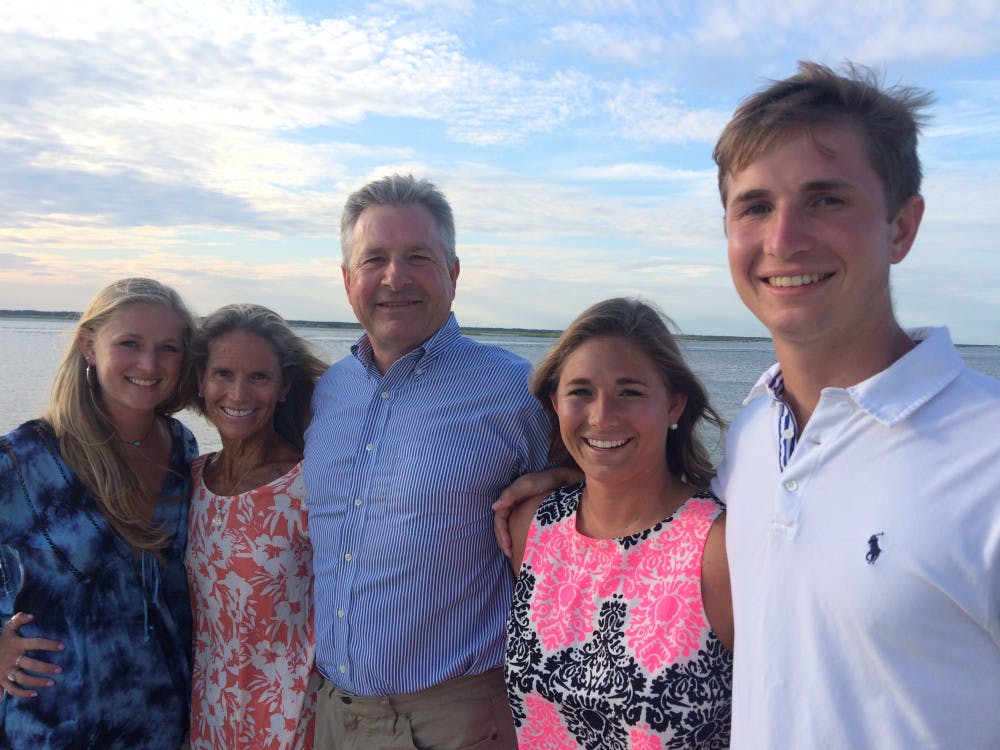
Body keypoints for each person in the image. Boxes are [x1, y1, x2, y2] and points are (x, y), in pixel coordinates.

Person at [710, 60, 1000, 748]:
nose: (783, 240)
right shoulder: (751, 434)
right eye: (755, 206)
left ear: (902, 227)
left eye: (826, 200)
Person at [303, 174, 551, 749]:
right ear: (347, 281)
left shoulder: (518, 391)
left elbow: (604, 510)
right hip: (333, 715)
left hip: (454, 719)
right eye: (374, 260)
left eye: (418, 256)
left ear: (454, 273)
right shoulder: (330, 390)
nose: (395, 278)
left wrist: (564, 475)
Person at [504, 297, 733, 749]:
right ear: (555, 403)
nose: (602, 415)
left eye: (630, 391)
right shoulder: (534, 528)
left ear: (674, 406)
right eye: (581, 392)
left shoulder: (716, 549)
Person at [0, 277, 198, 748]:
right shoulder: (22, 459)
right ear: (90, 345)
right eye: (129, 343)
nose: (149, 364)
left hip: (166, 721)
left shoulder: (182, 449)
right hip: (55, 723)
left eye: (167, 348)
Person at [185, 304, 328, 750]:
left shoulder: (312, 483)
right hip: (207, 717)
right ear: (202, 382)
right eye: (223, 374)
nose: (239, 393)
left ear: (284, 386)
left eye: (259, 377)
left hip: (292, 722)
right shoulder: (190, 480)